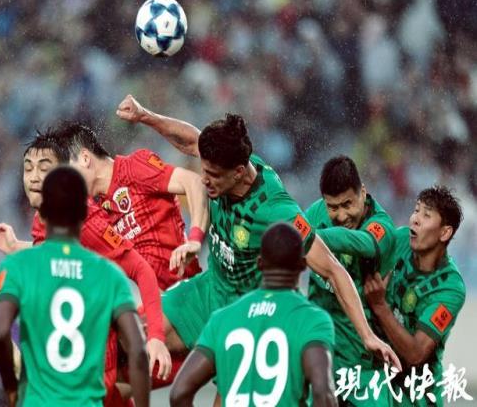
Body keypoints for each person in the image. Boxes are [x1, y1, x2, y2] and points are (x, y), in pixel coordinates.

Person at [115, 94, 401, 370]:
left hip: (245, 316)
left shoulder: (276, 211)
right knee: (129, 341)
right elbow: (192, 139)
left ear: (239, 172)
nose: (204, 181)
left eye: (213, 176)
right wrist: (145, 116)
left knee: (220, 392)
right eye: (204, 171)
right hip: (209, 291)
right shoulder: (225, 158)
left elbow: (333, 270)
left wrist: (368, 336)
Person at [0, 130, 170, 403]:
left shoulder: (89, 224)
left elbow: (139, 268)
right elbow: (61, 256)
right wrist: (19, 246)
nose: (34, 177)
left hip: (94, 374)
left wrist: (156, 335)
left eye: (44, 169)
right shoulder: (42, 226)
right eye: (28, 169)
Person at [170, 222, 337, 407]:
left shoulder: (222, 319)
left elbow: (179, 393)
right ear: (303, 265)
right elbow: (323, 393)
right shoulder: (312, 320)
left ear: (259, 263)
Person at [54, 120, 208, 291]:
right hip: (159, 301)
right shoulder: (98, 211)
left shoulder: (134, 168)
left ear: (84, 158)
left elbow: (194, 182)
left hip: (190, 291)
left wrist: (195, 240)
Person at [305, 155, 397, 405]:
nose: (342, 215)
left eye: (347, 204)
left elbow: (363, 243)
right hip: (320, 357)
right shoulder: (314, 214)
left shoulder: (381, 226)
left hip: (365, 365)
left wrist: (307, 238)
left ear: (363, 193)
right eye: (333, 207)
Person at [365, 186, 466, 406]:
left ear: (445, 233)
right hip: (378, 384)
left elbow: (416, 354)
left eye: (426, 215)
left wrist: (380, 307)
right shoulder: (401, 239)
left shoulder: (450, 287)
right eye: (416, 210)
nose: (415, 219)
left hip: (416, 396)